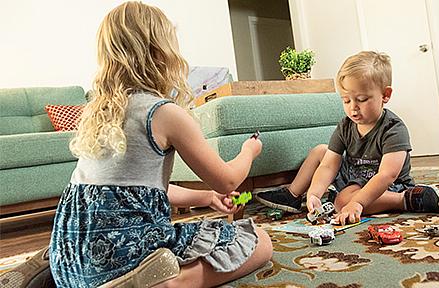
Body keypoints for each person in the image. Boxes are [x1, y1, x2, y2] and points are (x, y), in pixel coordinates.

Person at [48, 2, 272, 287]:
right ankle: (165, 283)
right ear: (160, 53)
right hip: (124, 251)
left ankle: (55, 271)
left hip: (72, 250)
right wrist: (248, 152)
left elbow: (134, 194)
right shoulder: (164, 113)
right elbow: (228, 180)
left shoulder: (102, 114)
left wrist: (206, 198)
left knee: (96, 257)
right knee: (260, 242)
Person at [256, 51, 439, 225]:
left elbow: (387, 175)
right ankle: (293, 195)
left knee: (342, 202)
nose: (353, 107)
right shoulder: (346, 125)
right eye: (346, 100)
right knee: (320, 151)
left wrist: (357, 203)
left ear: (385, 95)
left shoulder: (394, 129)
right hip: (355, 174)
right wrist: (314, 193)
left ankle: (407, 199)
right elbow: (329, 164)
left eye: (361, 99)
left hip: (387, 184)